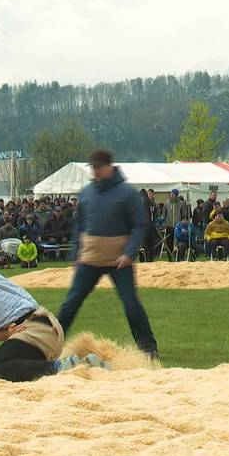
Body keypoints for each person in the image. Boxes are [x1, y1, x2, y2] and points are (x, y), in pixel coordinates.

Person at [57, 149, 159, 359]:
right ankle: (50, 343)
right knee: (71, 303)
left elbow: (140, 225)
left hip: (119, 261)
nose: (95, 172)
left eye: (98, 168)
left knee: (131, 304)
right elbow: (79, 226)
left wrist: (129, 253)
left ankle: (148, 348)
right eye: (93, 168)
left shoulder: (128, 194)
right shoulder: (86, 193)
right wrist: (77, 254)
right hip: (89, 259)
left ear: (109, 167)